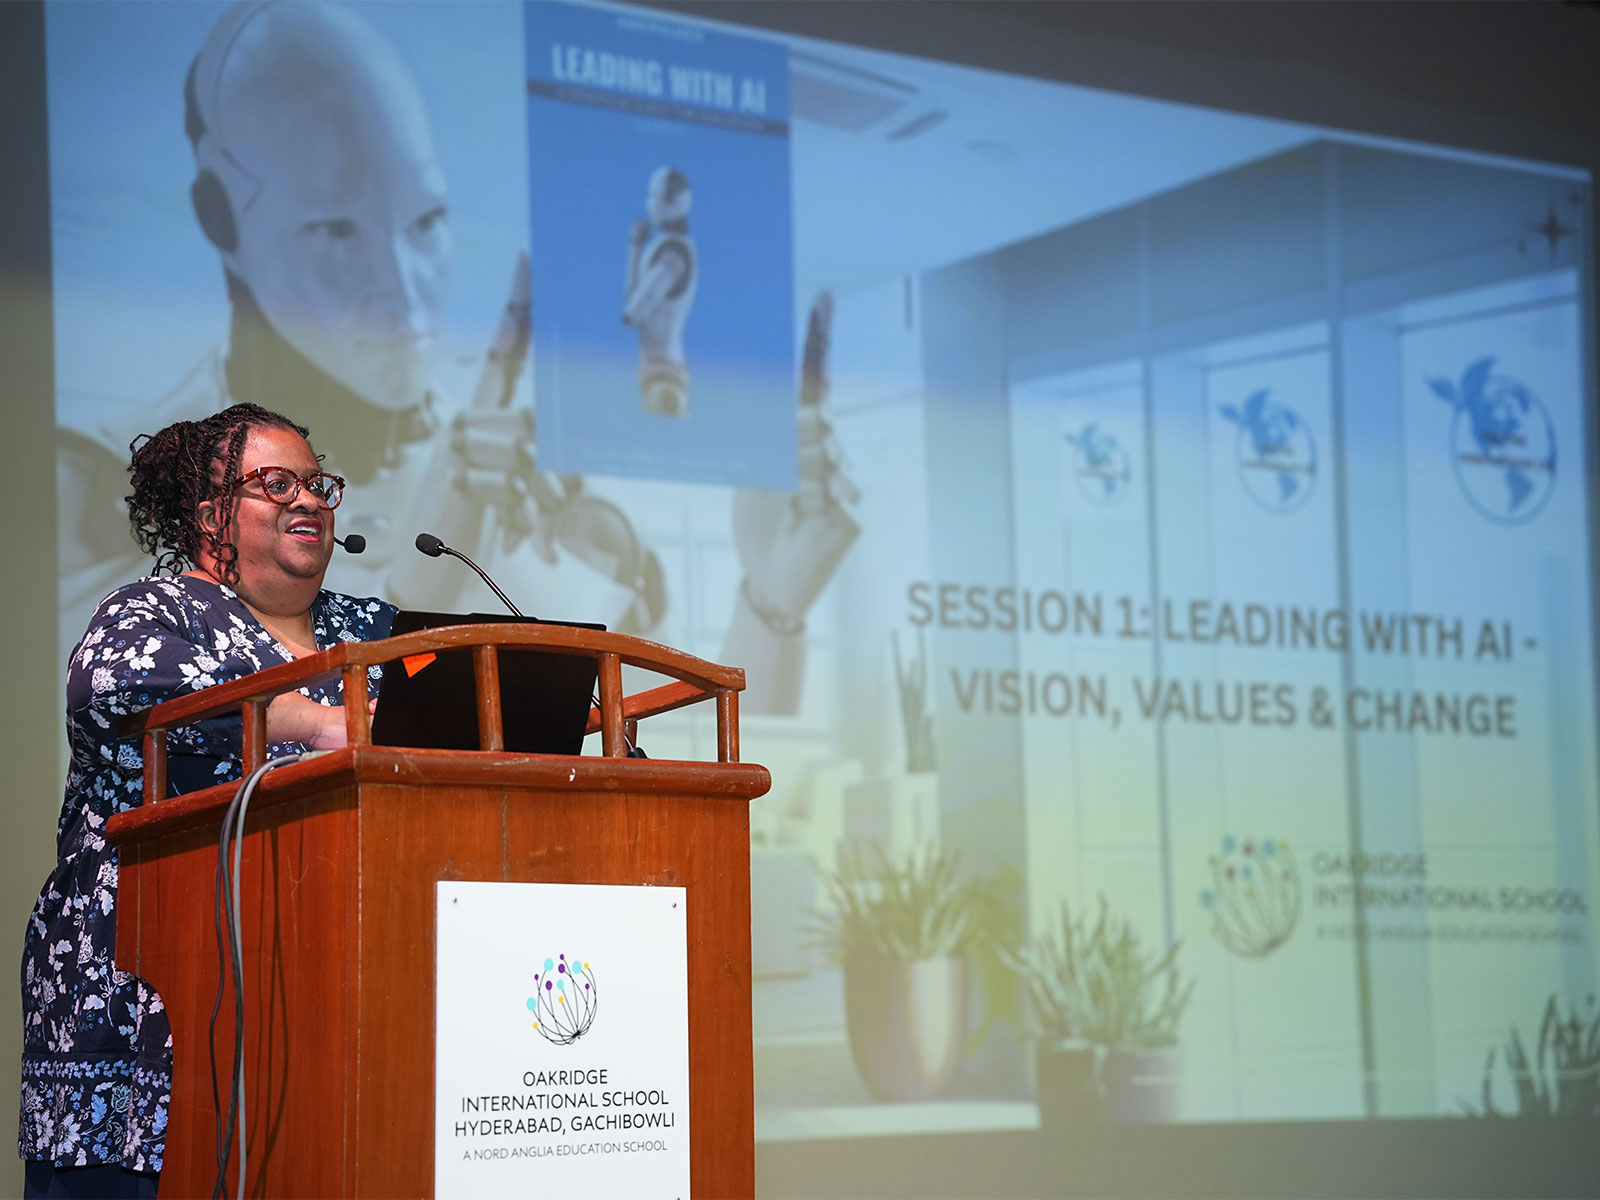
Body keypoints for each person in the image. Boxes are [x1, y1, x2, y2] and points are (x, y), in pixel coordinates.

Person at [57, 0, 859, 715]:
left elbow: (564, 737)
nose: (400, 288)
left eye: (426, 223)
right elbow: (133, 707)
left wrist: (770, 605)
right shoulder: (125, 572)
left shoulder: (489, 528)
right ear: (219, 215)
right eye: (336, 229)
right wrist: (334, 714)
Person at [20, 404, 395, 1196]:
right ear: (209, 515)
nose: (308, 499)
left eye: (317, 484)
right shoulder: (153, 612)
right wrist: (317, 723)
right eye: (276, 484)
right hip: (148, 987)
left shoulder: (374, 631)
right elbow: (114, 688)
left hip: (330, 979)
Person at [622, 165, 698, 418]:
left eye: (653, 196)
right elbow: (634, 295)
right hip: (657, 370)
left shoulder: (674, 254)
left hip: (667, 373)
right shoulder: (666, 246)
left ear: (673, 202)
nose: (649, 203)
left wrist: (630, 314)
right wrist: (635, 246)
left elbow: (641, 304)